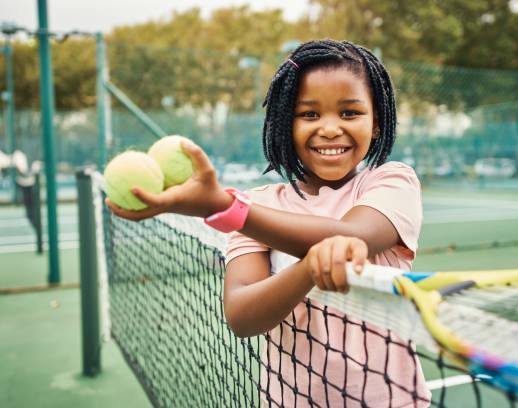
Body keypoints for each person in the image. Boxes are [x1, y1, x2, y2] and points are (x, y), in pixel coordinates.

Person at [107, 39, 430, 407]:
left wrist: (225, 208)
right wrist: (309, 267)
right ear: (283, 125)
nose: (328, 129)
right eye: (309, 114)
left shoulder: (392, 182)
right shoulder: (261, 204)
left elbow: (355, 236)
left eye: (349, 113)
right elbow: (242, 317)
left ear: (376, 124)